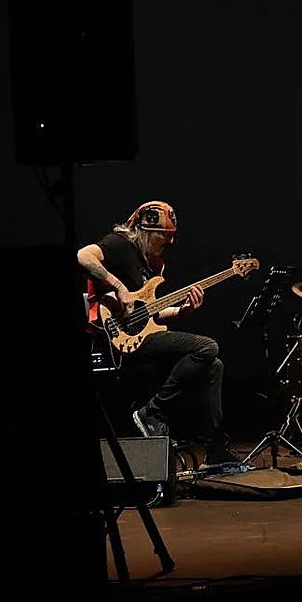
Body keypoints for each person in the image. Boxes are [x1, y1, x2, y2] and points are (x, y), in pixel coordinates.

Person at [78, 199, 240, 465]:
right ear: (146, 230)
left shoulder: (154, 266)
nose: (170, 242)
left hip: (143, 338)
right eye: (165, 236)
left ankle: (217, 450)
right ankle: (153, 412)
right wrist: (119, 287)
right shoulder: (120, 245)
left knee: (214, 365)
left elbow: (149, 314)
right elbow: (83, 256)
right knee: (206, 347)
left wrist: (183, 311)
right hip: (114, 341)